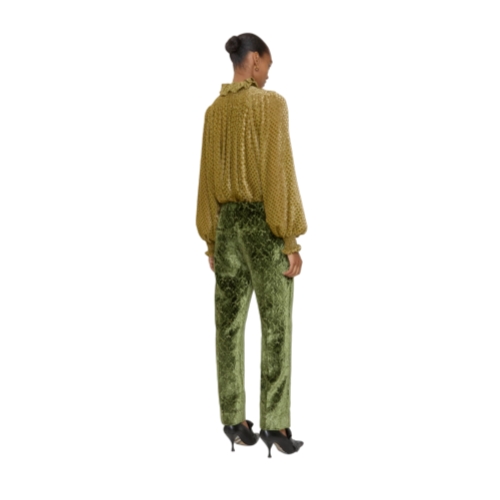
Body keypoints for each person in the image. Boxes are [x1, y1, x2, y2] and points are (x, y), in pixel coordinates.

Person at [196, 33, 307, 458]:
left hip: (226, 227)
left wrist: (211, 239)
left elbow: (206, 178)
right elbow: (279, 173)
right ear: (255, 60)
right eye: (268, 66)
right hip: (263, 226)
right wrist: (289, 236)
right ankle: (275, 425)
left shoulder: (214, 112)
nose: (268, 76)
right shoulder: (271, 104)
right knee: (275, 325)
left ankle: (234, 421)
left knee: (227, 326)